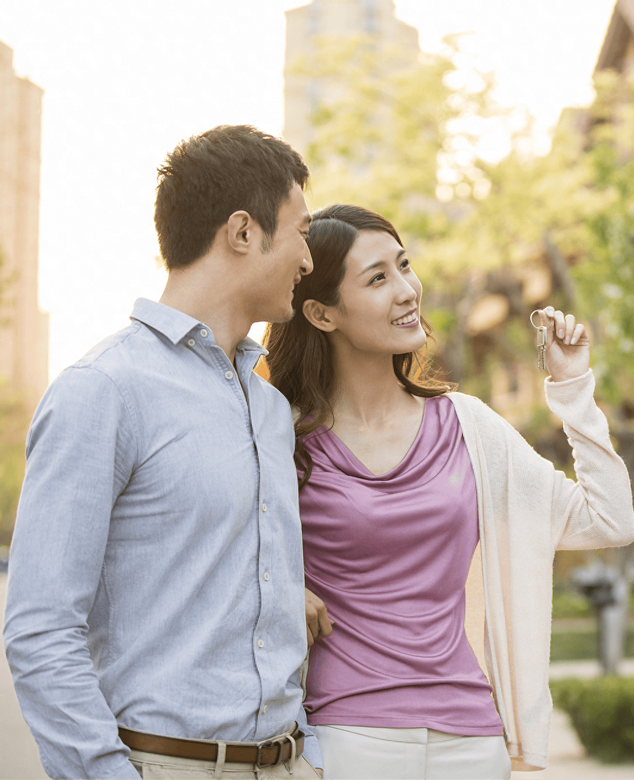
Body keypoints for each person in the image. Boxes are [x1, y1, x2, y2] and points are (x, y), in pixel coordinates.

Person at [263, 204, 634, 779]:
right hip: (348, 738)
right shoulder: (281, 439)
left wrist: (572, 387)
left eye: (404, 265)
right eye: (378, 278)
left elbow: (609, 521)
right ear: (321, 312)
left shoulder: (466, 426)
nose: (408, 289)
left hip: (472, 736)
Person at [4, 125, 325, 780]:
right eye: (301, 232)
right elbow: (39, 632)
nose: (309, 260)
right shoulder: (105, 390)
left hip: (287, 763)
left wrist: (307, 755)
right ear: (242, 232)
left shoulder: (268, 407)